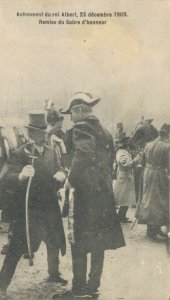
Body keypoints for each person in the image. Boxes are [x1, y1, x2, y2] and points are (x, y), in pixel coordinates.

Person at [53, 92, 125, 299]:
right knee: (98, 241)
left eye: (71, 114)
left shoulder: (82, 128)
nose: (71, 118)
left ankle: (78, 290)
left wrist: (69, 180)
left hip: (85, 197)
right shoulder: (105, 131)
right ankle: (93, 286)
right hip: (103, 196)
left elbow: (83, 155)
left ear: (79, 110)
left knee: (79, 240)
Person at [0, 111, 67, 299]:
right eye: (39, 132)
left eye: (45, 131)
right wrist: (20, 175)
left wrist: (61, 175)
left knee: (54, 242)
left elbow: (60, 169)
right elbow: (3, 179)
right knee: (17, 247)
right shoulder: (20, 153)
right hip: (28, 209)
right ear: (31, 133)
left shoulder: (52, 151)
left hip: (50, 206)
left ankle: (54, 274)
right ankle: (1, 286)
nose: (44, 135)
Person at [135, 123, 170, 238]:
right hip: (159, 174)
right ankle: (154, 228)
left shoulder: (149, 145)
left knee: (148, 200)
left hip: (147, 173)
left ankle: (152, 228)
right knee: (159, 200)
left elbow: (143, 161)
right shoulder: (166, 146)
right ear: (167, 134)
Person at [114, 137, 140, 222]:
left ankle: (122, 216)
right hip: (124, 178)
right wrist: (135, 160)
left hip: (125, 178)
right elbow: (125, 164)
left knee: (126, 199)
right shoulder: (122, 153)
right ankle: (120, 217)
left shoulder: (122, 152)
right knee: (124, 199)